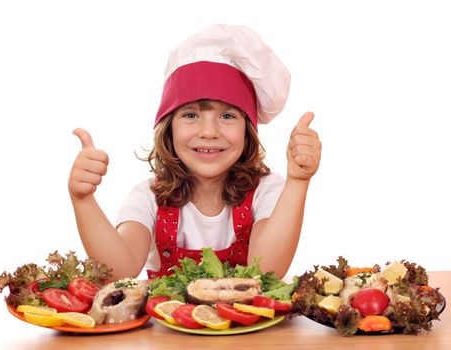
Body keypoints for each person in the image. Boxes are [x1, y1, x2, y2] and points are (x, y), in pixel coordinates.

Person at [68, 24, 321, 281]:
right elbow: (119, 271)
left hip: (242, 323)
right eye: (191, 115)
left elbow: (266, 270)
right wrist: (83, 200)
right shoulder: (147, 198)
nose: (209, 131)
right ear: (168, 128)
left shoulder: (268, 191)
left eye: (227, 115)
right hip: (167, 323)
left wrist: (298, 183)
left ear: (248, 130)